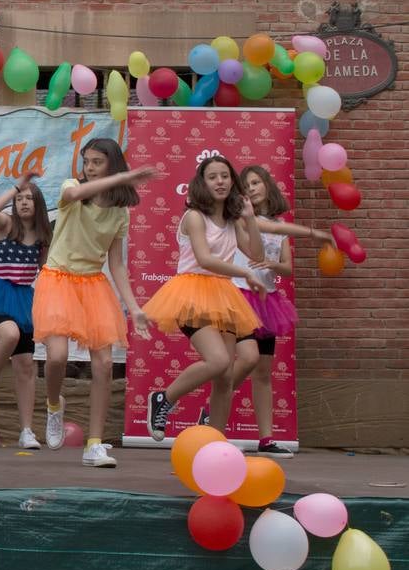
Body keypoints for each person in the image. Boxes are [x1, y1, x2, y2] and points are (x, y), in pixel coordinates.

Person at [32, 138, 155, 468]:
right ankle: (54, 404)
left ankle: (95, 444)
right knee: (56, 356)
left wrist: (135, 307)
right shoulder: (72, 189)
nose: (89, 167)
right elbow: (74, 194)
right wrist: (125, 178)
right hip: (57, 278)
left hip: (93, 284)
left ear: (111, 164)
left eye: (97, 162)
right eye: (87, 161)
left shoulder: (119, 213)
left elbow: (116, 265)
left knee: (103, 364)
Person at [144, 156, 265, 442]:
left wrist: (250, 218)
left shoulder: (233, 221)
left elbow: (257, 255)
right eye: (213, 177)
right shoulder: (194, 217)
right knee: (219, 361)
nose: (220, 182)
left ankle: (215, 444)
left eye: (225, 176)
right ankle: (164, 398)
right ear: (202, 182)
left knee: (224, 380)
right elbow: (204, 259)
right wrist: (243, 273)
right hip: (192, 294)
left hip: (222, 296)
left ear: (232, 182)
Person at [216, 165, 332, 457]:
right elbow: (269, 229)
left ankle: (266, 439)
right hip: (240, 295)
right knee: (247, 359)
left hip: (268, 300)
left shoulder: (278, 223)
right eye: (246, 185)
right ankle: (216, 407)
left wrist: (273, 266)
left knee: (264, 372)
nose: (252, 188)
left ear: (267, 185)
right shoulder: (241, 218)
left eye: (256, 182)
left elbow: (287, 267)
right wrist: (313, 233)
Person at [0, 172, 52, 450]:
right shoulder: (6, 224)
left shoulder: (42, 235)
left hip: (22, 298)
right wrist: (15, 186)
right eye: (20, 199)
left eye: (29, 198)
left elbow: (45, 270)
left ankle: (27, 431)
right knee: (10, 335)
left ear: (39, 204)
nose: (24, 202)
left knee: (26, 365)